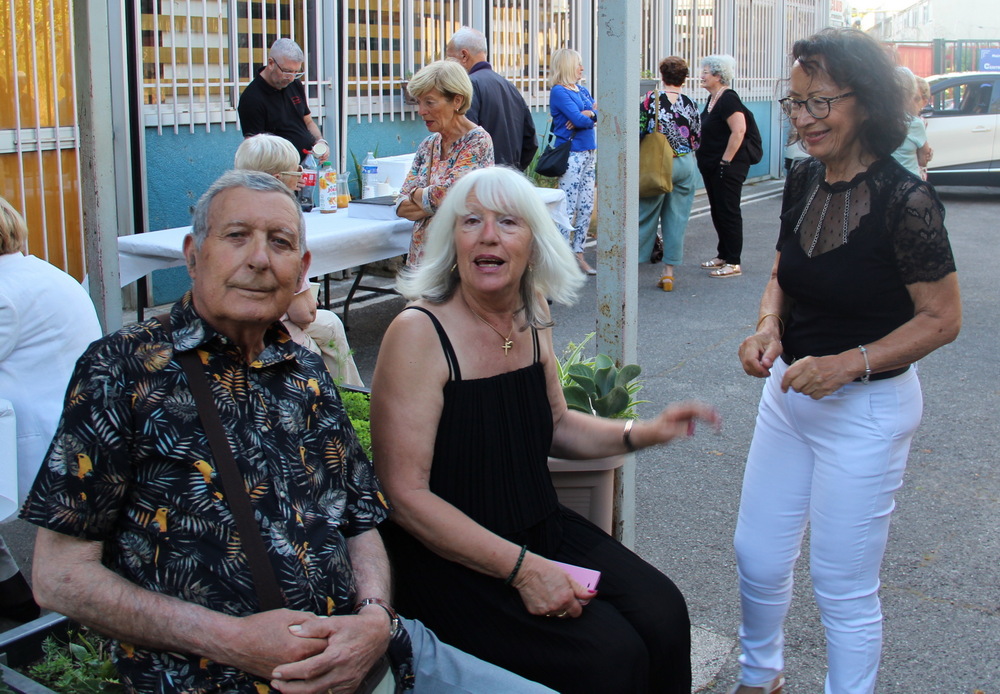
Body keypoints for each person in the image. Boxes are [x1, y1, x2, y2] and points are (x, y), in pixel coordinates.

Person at [20, 170, 556, 694]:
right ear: (192, 254)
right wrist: (230, 640)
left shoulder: (305, 372)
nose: (259, 258)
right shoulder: (122, 370)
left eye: (279, 242)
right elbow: (59, 576)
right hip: (222, 675)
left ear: (301, 269)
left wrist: (374, 615)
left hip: (375, 653)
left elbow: (361, 521)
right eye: (237, 236)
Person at [372, 166, 721, 693]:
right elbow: (404, 495)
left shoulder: (530, 311)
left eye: (508, 222)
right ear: (452, 240)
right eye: (471, 221)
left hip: (541, 526)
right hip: (454, 558)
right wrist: (524, 571)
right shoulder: (419, 331)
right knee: (610, 658)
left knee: (663, 612)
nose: (488, 235)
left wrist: (646, 431)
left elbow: (555, 423)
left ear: (534, 244)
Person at [733, 28, 961, 694]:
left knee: (843, 584)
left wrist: (848, 364)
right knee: (757, 554)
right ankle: (759, 675)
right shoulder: (803, 178)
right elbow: (782, 273)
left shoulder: (906, 201)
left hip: (867, 412)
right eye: (795, 102)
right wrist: (767, 326)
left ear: (865, 101)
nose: (802, 119)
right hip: (788, 396)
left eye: (819, 102)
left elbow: (942, 319)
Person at [0, 196, 102, 623]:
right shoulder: (40, 272)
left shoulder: (4, 292)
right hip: (76, 426)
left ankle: (22, 608)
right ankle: (14, 597)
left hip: (41, 439)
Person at [234, 133, 363, 385]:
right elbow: (303, 313)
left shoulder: (227, 210)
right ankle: (338, 401)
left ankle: (350, 397)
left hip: (242, 320)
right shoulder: (279, 224)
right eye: (297, 170)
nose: (302, 176)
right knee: (313, 347)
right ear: (277, 179)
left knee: (331, 325)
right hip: (264, 327)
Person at [396, 60, 494, 266]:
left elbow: (448, 196)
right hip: (421, 261)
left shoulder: (477, 141)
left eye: (429, 102)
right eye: (419, 102)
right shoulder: (428, 145)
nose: (421, 111)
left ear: (457, 100)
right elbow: (401, 205)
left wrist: (417, 194)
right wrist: (436, 201)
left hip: (457, 262)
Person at [638, 56, 701, 292]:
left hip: (657, 163)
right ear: (684, 78)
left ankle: (630, 269)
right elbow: (696, 137)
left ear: (662, 75)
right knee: (677, 219)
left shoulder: (650, 100)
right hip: (685, 164)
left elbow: (639, 130)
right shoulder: (691, 103)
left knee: (644, 215)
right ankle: (668, 273)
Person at [446, 26, 538, 171]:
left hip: (481, 178)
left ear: (464, 55)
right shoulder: (509, 86)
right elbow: (530, 141)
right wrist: (515, 170)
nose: (448, 65)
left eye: (450, 58)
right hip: (509, 176)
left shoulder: (468, 86)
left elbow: (463, 138)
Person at [696, 54, 750, 278]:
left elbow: (739, 130)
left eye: (706, 72)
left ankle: (734, 262)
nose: (702, 75)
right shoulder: (713, 99)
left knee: (729, 211)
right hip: (712, 166)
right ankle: (723, 255)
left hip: (728, 166)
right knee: (718, 210)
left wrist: (725, 162)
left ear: (718, 76)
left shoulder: (728, 99)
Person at [548, 48, 598, 276]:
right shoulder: (559, 91)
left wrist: (589, 115)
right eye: (578, 64)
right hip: (572, 154)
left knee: (586, 206)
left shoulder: (582, 90)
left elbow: (598, 113)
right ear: (568, 66)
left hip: (589, 152)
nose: (582, 68)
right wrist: (586, 115)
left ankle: (578, 253)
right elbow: (578, 119)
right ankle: (561, 259)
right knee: (566, 208)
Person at [238, 38, 327, 160]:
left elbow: (308, 121)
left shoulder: (294, 84)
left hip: (305, 161)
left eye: (296, 72)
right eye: (287, 71)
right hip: (278, 167)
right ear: (271, 63)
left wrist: (320, 141)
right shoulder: (252, 98)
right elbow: (255, 149)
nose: (291, 78)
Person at [891, 67, 933, 179]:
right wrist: (928, 154)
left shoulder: (876, 120)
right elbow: (923, 161)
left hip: (883, 180)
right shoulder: (915, 123)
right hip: (909, 181)